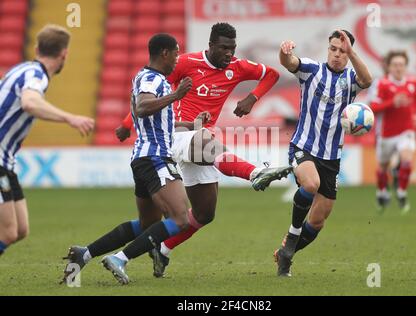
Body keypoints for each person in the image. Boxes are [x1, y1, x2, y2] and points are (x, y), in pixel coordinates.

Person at [113, 22, 290, 277]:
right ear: (211, 46)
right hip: (177, 134)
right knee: (206, 137)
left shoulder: (237, 67)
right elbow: (147, 97)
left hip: (199, 142)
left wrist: (252, 98)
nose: (229, 54)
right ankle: (254, 174)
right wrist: (127, 124)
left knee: (205, 213)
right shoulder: (185, 63)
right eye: (224, 48)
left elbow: (271, 74)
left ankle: (162, 249)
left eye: (233, 48)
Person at [96, 33, 197, 285]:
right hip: (155, 158)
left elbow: (158, 122)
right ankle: (120, 258)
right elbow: (143, 107)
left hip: (144, 157)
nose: (177, 58)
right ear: (164, 53)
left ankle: (85, 253)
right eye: (175, 53)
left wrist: (192, 124)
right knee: (181, 218)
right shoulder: (151, 78)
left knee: (147, 223)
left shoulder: (147, 77)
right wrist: (176, 96)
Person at [274, 30, 372, 277]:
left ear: (348, 54)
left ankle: (285, 253)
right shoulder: (312, 69)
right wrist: (284, 52)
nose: (337, 55)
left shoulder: (351, 78)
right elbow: (290, 62)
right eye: (333, 49)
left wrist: (353, 52)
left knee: (318, 221)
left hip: (331, 157)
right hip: (303, 147)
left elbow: (368, 80)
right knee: (310, 184)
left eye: (342, 51)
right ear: (327, 48)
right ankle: (292, 235)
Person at [0, 24, 94, 257]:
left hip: (6, 161)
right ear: (65, 54)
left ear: (36, 48)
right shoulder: (36, 75)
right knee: (8, 232)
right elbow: (30, 103)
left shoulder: (23, 69)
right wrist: (70, 118)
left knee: (21, 229)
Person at [370, 50, 416, 214]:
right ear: (389, 67)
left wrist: (415, 114)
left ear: (406, 67)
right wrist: (392, 102)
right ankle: (382, 191)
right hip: (386, 134)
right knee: (383, 167)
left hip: (406, 131)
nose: (398, 68)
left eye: (401, 65)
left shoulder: (413, 83)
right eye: (395, 65)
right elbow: (373, 108)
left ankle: (401, 192)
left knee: (407, 160)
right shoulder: (381, 84)